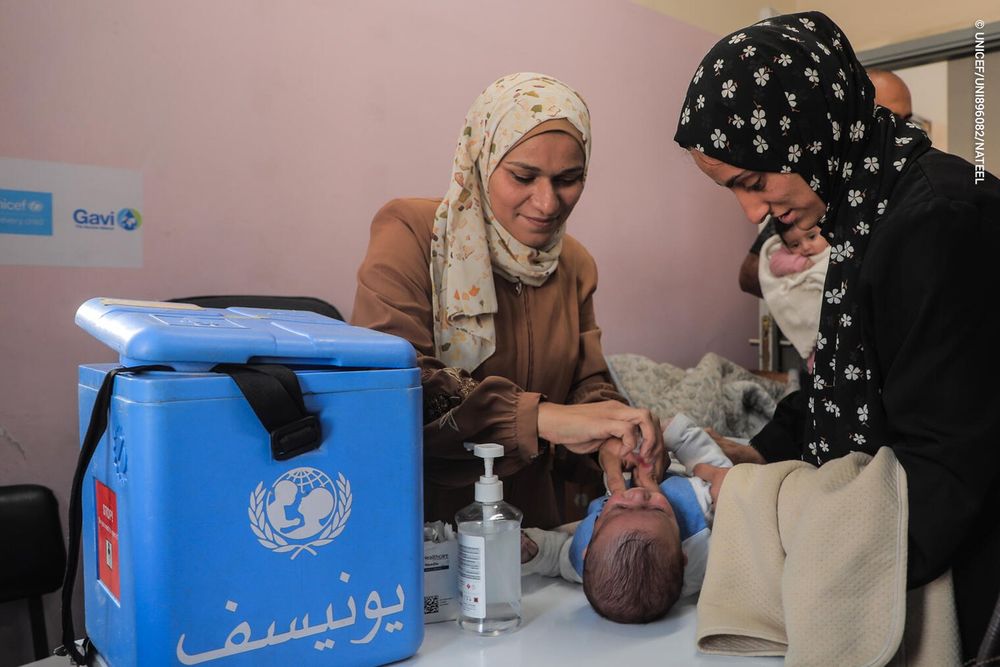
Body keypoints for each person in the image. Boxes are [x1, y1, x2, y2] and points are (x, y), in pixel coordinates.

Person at [673, 11, 999, 659]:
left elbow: (948, 470)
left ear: (807, 129)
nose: (753, 211)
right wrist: (758, 453)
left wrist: (791, 529)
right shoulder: (866, 211)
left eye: (753, 180)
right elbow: (853, 375)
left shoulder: (938, 218)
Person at [351, 73, 662, 530]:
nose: (547, 202)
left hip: (535, 531)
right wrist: (540, 418)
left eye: (568, 180)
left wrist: (612, 436)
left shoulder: (573, 264)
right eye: (523, 176)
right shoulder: (414, 234)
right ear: (482, 159)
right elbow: (391, 383)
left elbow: (588, 381)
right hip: (425, 530)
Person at [521, 415, 732, 622]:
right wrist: (674, 435)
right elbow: (723, 476)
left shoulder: (586, 562)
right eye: (656, 511)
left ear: (587, 553)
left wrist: (536, 552)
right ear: (683, 556)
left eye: (620, 507)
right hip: (675, 465)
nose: (638, 495)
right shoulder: (704, 529)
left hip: (624, 459)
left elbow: (559, 557)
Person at [738, 67, 915, 297]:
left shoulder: (914, 191)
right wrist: (807, 281)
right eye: (884, 120)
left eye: (907, 122)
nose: (900, 134)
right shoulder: (814, 194)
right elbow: (749, 275)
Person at [757, 218, 831, 372]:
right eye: (795, 245)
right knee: (818, 361)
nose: (805, 247)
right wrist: (801, 263)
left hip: (834, 320)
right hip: (813, 335)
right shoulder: (790, 255)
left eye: (812, 237)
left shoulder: (835, 245)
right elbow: (775, 263)